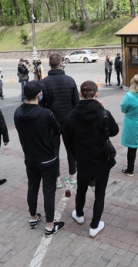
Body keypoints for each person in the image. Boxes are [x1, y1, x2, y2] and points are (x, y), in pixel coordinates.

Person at [63, 81, 119, 238]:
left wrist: (76, 155)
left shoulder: (71, 116)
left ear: (81, 94)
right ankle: (94, 225)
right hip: (102, 159)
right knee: (100, 193)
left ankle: (79, 214)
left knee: (81, 188)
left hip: (82, 160)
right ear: (97, 94)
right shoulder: (103, 113)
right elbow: (114, 131)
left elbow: (67, 141)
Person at [14, 81, 64, 237]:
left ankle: (33, 217)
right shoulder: (45, 113)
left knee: (32, 187)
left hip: (30, 157)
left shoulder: (17, 112)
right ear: (38, 95)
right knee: (48, 191)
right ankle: (50, 225)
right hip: (47, 158)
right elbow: (58, 131)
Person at [39, 53, 79, 187]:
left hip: (51, 123)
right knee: (71, 150)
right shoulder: (70, 80)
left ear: (49, 64)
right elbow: (76, 104)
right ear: (61, 64)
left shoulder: (43, 83)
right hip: (69, 122)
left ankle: (56, 178)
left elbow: (41, 106)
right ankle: (73, 175)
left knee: (53, 151)